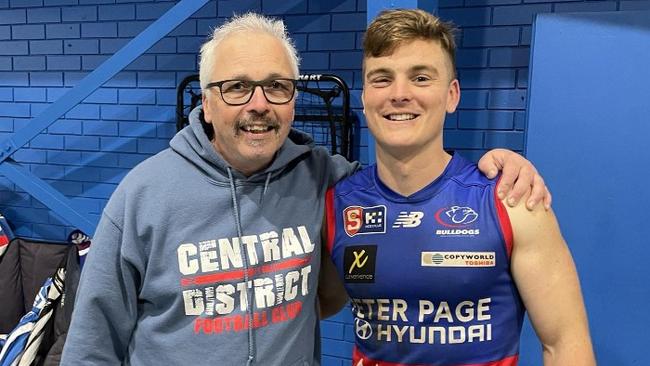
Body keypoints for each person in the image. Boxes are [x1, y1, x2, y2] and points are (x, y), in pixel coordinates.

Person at [61, 13, 550, 365]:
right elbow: (91, 344)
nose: (259, 104)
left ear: (293, 99)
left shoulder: (327, 179)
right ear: (207, 103)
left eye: (277, 86)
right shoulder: (143, 194)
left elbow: (407, 177)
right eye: (236, 88)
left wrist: (499, 161)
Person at [322, 9, 595, 366]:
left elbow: (565, 344)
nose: (399, 93)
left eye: (421, 78)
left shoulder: (510, 200)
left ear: (452, 95)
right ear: (364, 96)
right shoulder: (337, 204)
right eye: (382, 78)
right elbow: (317, 304)